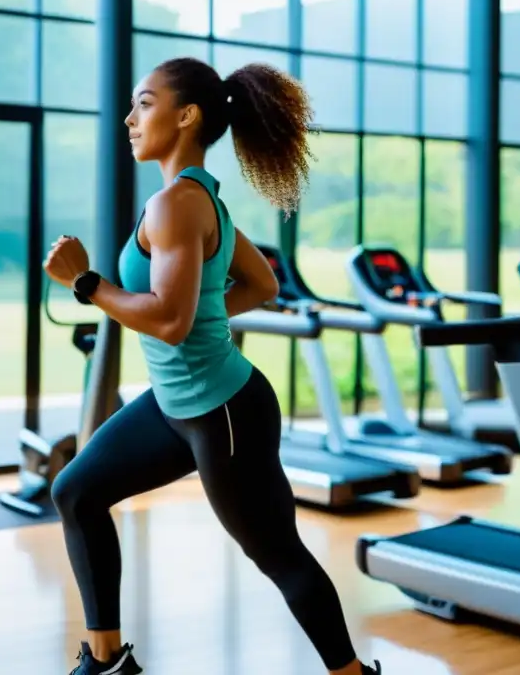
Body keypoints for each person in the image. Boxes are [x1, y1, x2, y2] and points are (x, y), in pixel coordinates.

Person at [43, 56, 383, 675]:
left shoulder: (178, 205)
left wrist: (86, 282)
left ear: (187, 115)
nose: (129, 118)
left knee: (277, 555)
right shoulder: (197, 201)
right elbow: (263, 283)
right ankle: (107, 661)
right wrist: (205, 316)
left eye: (144, 103)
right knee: (78, 491)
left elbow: (170, 321)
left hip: (222, 411)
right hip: (177, 403)